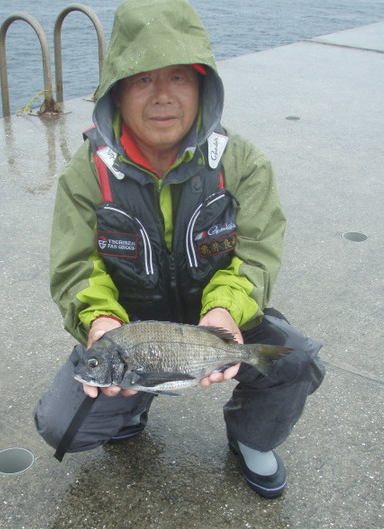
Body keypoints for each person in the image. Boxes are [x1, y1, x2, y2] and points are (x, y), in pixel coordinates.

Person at [35, 0, 325, 498]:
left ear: (202, 87)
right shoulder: (87, 173)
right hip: (130, 326)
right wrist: (101, 322)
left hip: (218, 316)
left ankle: (252, 438)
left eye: (178, 78)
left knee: (295, 361)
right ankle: (133, 399)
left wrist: (225, 311)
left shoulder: (242, 162)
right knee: (63, 426)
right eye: (143, 79)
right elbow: (77, 266)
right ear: (118, 92)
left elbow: (256, 253)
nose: (163, 96)